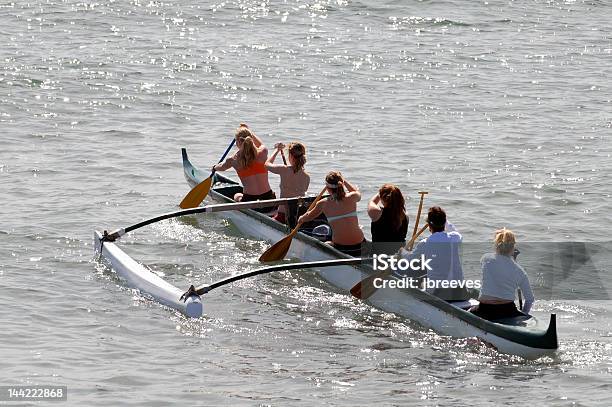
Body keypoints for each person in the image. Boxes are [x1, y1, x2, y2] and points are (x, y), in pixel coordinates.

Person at [400, 206, 468, 301]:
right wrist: (441, 217)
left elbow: (410, 259)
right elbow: (451, 228)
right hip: (461, 290)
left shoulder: (425, 243)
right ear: (444, 223)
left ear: (429, 226)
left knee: (419, 281)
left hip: (440, 292)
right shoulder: (455, 237)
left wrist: (402, 252)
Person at [470, 229, 535, 321]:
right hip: (508, 311)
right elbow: (530, 299)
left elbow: (498, 266)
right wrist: (523, 315)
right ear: (513, 247)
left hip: (485, 309)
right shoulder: (520, 271)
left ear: (496, 245)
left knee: (468, 312)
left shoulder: (486, 259)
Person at [297, 171, 365, 257]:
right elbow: (356, 192)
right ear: (342, 184)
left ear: (327, 188)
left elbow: (309, 217)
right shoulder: (352, 197)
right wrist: (344, 181)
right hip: (360, 243)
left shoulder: (323, 203)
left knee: (327, 243)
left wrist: (301, 218)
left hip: (341, 246)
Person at [213, 124, 276, 212]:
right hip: (269, 199)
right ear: (251, 139)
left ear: (238, 141)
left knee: (237, 195)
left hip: (250, 202)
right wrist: (249, 131)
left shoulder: (233, 160)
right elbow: (261, 144)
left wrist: (214, 167)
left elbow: (222, 167)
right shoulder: (263, 153)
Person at [265, 142, 310, 224]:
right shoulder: (307, 177)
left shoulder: (284, 169)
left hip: (282, 216)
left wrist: (277, 150)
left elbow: (267, 164)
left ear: (290, 156)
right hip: (298, 216)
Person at [368, 184, 408, 254]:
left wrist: (379, 193)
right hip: (399, 255)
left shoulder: (377, 213)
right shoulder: (404, 215)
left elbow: (372, 202)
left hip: (379, 256)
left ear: (382, 198)